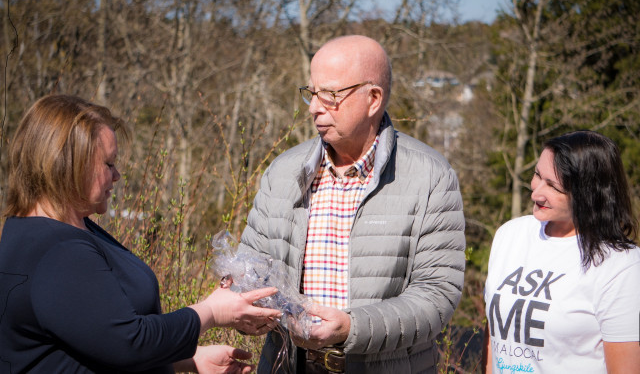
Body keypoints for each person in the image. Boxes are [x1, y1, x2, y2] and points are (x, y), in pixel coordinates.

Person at [0, 94, 282, 374]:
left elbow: (96, 338)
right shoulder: (57, 250)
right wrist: (211, 312)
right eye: (108, 164)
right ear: (68, 165)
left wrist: (188, 359)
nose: (117, 175)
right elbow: (129, 342)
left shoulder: (64, 230)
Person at [237, 35, 466, 373]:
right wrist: (243, 304)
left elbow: (436, 297)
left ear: (373, 99)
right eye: (311, 93)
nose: (314, 106)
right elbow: (250, 265)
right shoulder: (283, 171)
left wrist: (350, 328)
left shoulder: (430, 177)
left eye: (329, 95)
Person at [483, 131, 640, 373]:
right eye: (537, 175)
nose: (535, 192)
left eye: (553, 186)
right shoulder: (510, 234)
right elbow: (494, 338)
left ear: (588, 195)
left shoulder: (621, 265)